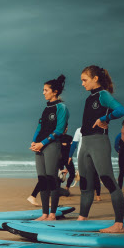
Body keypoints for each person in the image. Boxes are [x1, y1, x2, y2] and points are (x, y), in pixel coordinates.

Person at [76, 65, 124, 233]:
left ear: (95, 78)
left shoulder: (103, 95)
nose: (82, 84)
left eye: (85, 80)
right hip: (85, 143)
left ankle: (119, 224)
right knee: (85, 184)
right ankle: (82, 219)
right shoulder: (88, 99)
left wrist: (105, 118)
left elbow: (121, 110)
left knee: (108, 180)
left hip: (99, 141)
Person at [29, 75, 68, 220]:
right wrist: (34, 143)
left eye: (46, 90)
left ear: (55, 92)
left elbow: (59, 130)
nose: (43, 92)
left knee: (52, 179)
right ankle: (44, 213)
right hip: (39, 147)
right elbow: (39, 127)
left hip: (51, 146)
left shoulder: (61, 108)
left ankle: (52, 214)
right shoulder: (46, 108)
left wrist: (42, 143)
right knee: (42, 179)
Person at [116, 119, 124, 193]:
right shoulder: (119, 135)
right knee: (122, 173)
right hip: (122, 155)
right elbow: (116, 145)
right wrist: (118, 151)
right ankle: (119, 188)